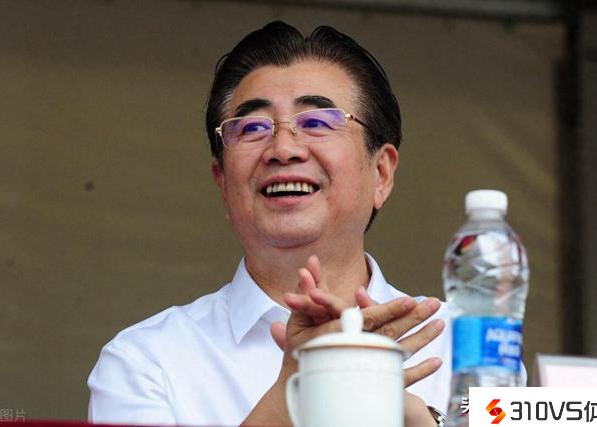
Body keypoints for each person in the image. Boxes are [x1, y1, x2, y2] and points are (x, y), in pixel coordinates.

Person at [87, 21, 452, 426]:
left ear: (381, 174)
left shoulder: (472, 347)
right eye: (252, 128)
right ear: (223, 183)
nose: (283, 148)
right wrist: (293, 397)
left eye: (316, 122)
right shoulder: (145, 363)